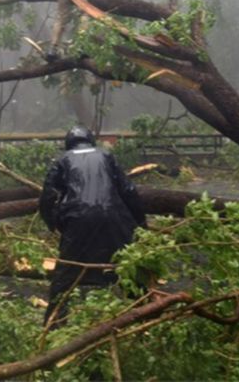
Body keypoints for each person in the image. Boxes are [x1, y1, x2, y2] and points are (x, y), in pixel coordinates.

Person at [39, 125, 147, 327]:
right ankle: (147, 315)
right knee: (128, 267)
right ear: (91, 140)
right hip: (115, 216)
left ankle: (53, 325)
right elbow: (129, 190)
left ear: (68, 143)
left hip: (78, 218)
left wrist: (54, 224)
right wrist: (141, 222)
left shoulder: (62, 160)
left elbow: (47, 198)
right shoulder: (106, 156)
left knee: (65, 276)